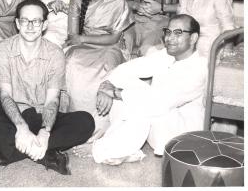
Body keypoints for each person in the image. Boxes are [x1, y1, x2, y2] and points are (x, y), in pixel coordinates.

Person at [0, 0, 95, 175]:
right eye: (24, 20)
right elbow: (4, 95)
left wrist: (44, 132)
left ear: (44, 25)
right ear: (17, 24)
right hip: (12, 117)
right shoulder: (2, 50)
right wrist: (21, 127)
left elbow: (53, 100)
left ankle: (10, 150)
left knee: (86, 121)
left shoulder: (55, 53)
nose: (30, 26)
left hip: (43, 115)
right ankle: (46, 153)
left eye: (36, 21)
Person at [73, 14, 207, 164]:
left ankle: (104, 148)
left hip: (179, 136)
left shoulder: (199, 68)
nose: (169, 38)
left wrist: (116, 93)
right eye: (168, 32)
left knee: (141, 103)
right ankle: (123, 149)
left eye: (178, 33)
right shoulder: (167, 56)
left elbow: (159, 103)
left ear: (194, 38)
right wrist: (107, 85)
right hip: (158, 125)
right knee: (125, 84)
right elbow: (130, 68)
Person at [64, 0, 134, 141]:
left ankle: (98, 131)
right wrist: (81, 40)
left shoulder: (118, 1)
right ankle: (73, 124)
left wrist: (84, 38)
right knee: (71, 64)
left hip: (109, 47)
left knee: (106, 69)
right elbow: (73, 35)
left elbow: (113, 38)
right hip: (81, 46)